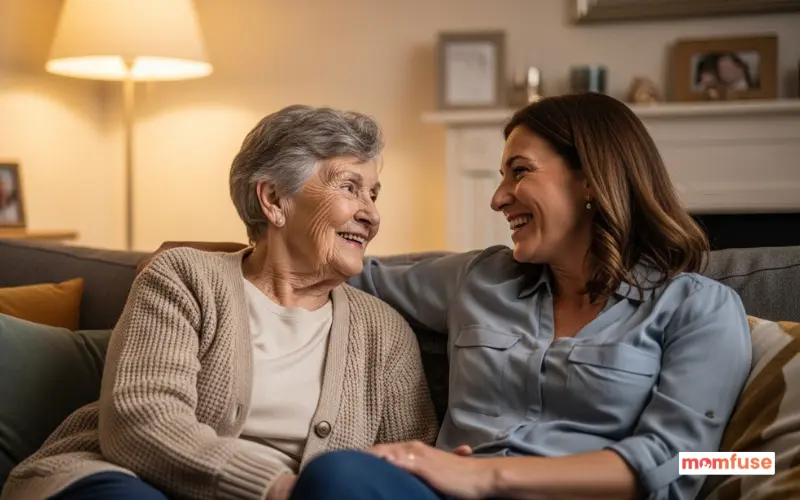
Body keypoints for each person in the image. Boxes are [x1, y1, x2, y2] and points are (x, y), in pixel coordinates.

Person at [134, 93, 753, 500]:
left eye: (519, 171)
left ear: (591, 178)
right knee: (340, 475)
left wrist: (484, 474)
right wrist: (200, 258)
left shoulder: (701, 308)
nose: (498, 198)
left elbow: (694, 462)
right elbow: (326, 264)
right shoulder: (478, 280)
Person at [0, 105, 438, 500]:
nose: (372, 214)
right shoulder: (185, 278)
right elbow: (141, 421)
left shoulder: (384, 330)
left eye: (374, 194)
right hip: (120, 478)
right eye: (350, 188)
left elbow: (402, 470)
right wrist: (278, 489)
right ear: (274, 199)